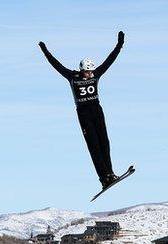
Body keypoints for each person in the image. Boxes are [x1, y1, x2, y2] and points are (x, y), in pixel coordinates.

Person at [39, 31, 125, 188]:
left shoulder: (95, 74)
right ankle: (103, 178)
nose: (90, 74)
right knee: (93, 145)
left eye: (91, 71)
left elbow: (109, 60)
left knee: (104, 142)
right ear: (81, 69)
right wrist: (45, 51)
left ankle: (110, 173)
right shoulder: (72, 77)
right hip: (84, 113)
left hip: (97, 110)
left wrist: (119, 44)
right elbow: (56, 64)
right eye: (87, 71)